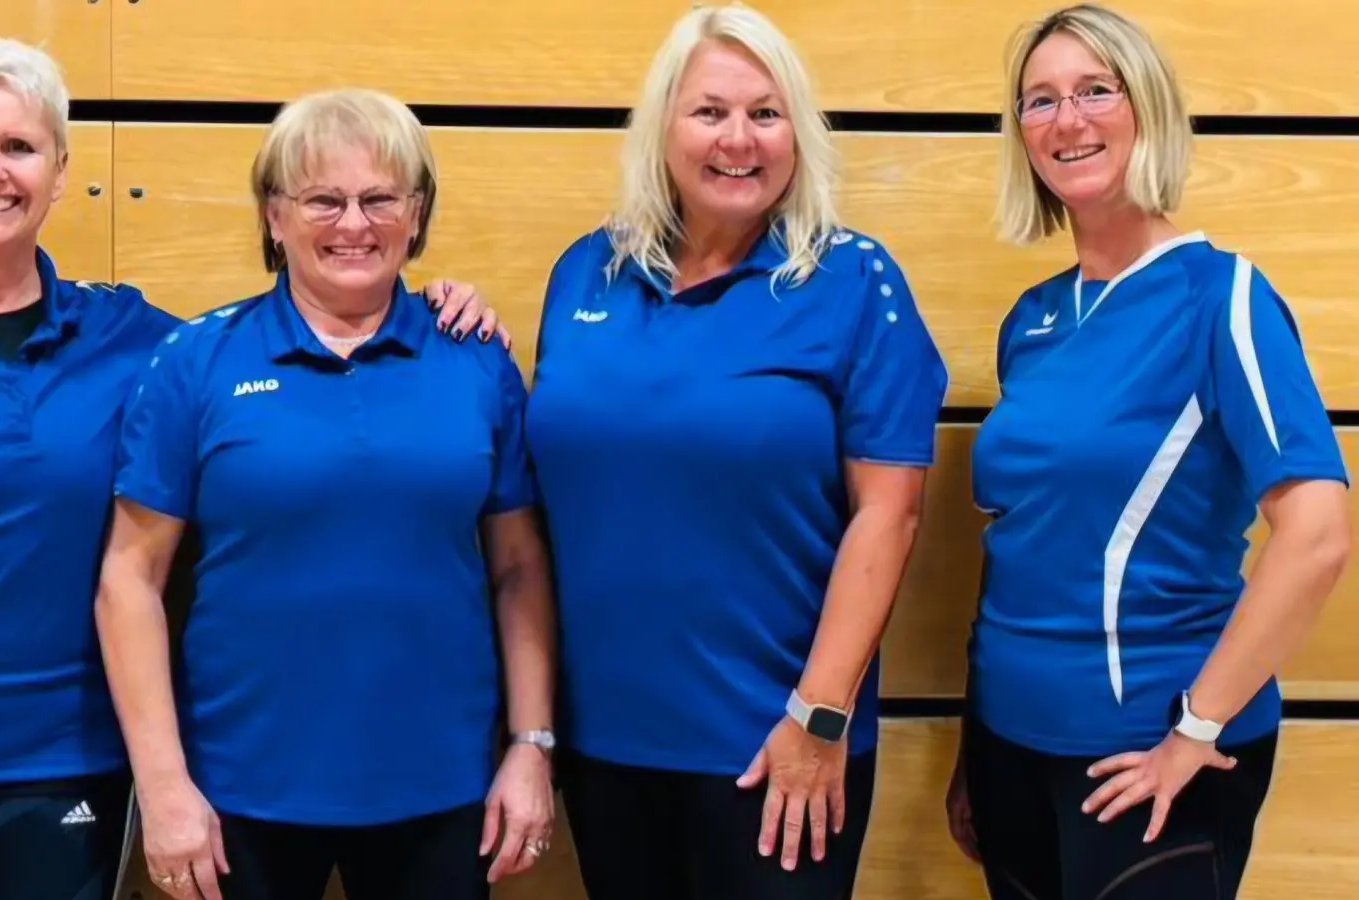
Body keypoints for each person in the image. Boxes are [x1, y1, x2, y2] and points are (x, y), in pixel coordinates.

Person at [0, 39, 501, 900]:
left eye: (20, 147)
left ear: (62, 170)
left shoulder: (142, 343)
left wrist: (446, 308)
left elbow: (292, 347)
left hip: (61, 769)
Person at [524, 5, 948, 899]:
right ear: (663, 129)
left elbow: (890, 513)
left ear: (799, 132)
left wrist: (819, 719)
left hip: (775, 748)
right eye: (710, 111)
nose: (739, 139)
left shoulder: (852, 280)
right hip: (606, 746)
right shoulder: (584, 273)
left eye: (767, 112)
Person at [94, 87, 557, 900]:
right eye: (323, 200)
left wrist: (532, 744)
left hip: (444, 789)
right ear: (275, 216)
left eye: (380, 199)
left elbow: (518, 568)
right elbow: (129, 581)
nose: (354, 224)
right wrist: (164, 786)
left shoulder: (477, 361)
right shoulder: (197, 361)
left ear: (416, 217)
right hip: (237, 792)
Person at [944, 6, 1352, 899]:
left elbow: (1319, 533)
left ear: (1149, 109)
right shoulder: (1034, 320)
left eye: (1097, 89)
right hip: (1009, 744)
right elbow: (1021, 538)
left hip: (1146, 753)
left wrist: (1197, 733)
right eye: (1041, 100)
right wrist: (974, 747)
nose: (1068, 119)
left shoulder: (1224, 297)